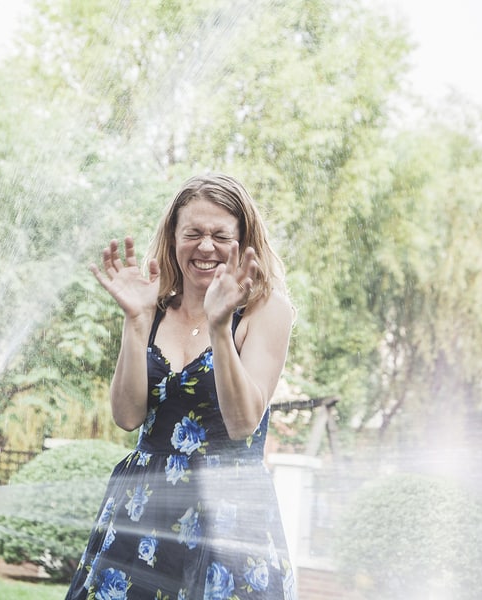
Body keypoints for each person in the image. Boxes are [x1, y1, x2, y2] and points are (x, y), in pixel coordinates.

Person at [65, 173, 297, 600]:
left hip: (226, 516)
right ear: (173, 238)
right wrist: (135, 323)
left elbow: (244, 421)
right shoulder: (152, 306)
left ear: (243, 243)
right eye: (192, 233)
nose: (205, 247)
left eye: (219, 235)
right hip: (142, 507)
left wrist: (219, 326)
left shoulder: (266, 310)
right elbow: (127, 416)